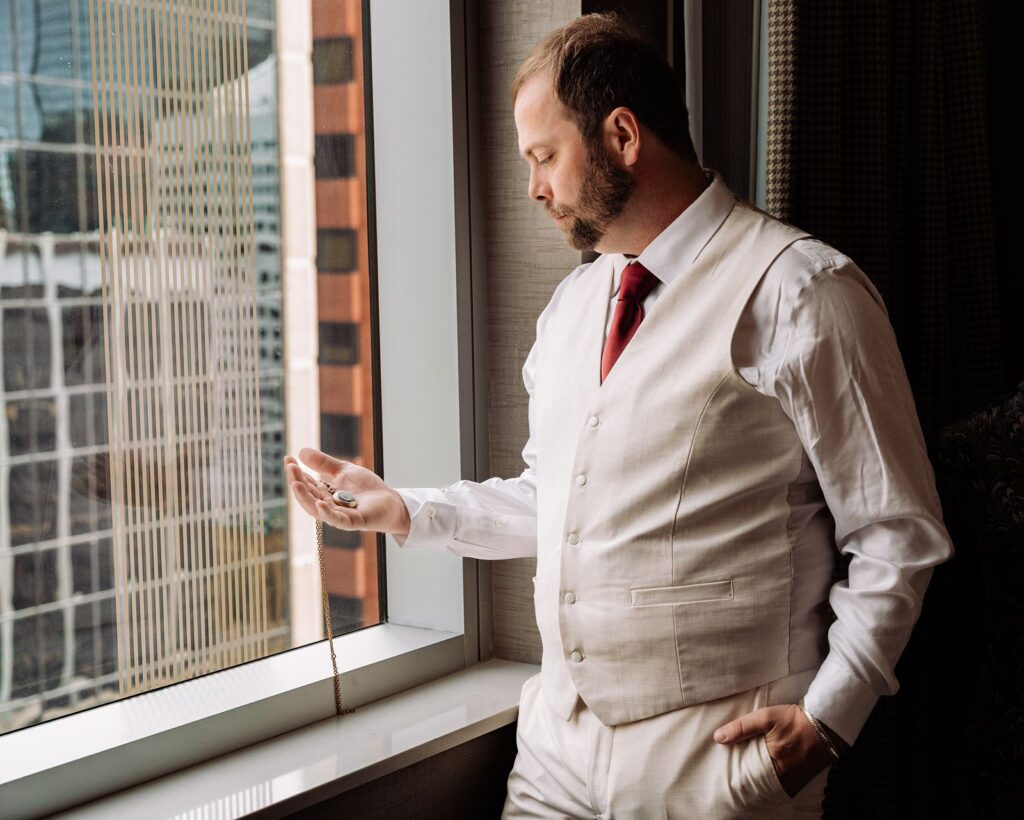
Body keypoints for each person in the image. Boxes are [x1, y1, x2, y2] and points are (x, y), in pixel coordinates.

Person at [285, 13, 954, 818]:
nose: (534, 187)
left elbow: (896, 533)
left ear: (623, 136)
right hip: (555, 757)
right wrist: (409, 509)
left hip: (721, 764)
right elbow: (558, 500)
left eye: (544, 157)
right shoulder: (572, 308)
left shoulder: (804, 292)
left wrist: (829, 720)